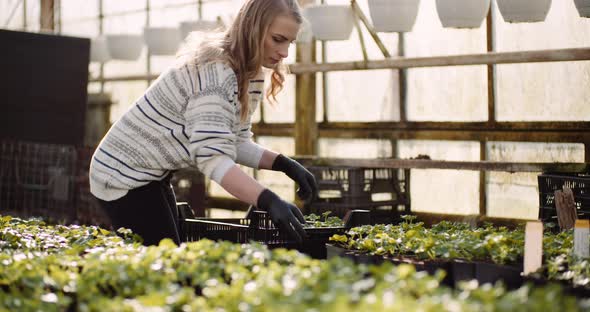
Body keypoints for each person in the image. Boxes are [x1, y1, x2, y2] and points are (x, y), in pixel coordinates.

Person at [89, 0, 317, 246]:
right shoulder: (216, 73)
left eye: (289, 42)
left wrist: (285, 165)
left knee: (168, 257)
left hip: (151, 175)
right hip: (121, 174)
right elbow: (212, 158)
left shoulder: (251, 75)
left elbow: (236, 140)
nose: (285, 53)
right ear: (253, 28)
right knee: (163, 265)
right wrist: (268, 200)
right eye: (278, 39)